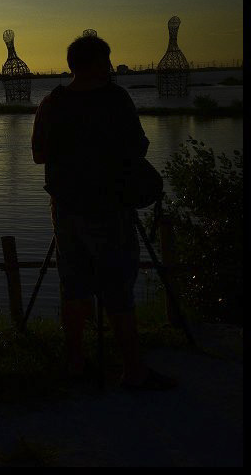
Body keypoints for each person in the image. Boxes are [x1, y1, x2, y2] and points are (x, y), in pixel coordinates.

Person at [31, 35, 175, 390]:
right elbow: (137, 147)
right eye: (107, 61)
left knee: (74, 286)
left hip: (65, 208)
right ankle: (133, 370)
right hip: (110, 208)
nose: (111, 68)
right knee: (118, 287)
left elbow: (38, 155)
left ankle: (76, 364)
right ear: (97, 64)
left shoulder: (52, 102)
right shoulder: (115, 99)